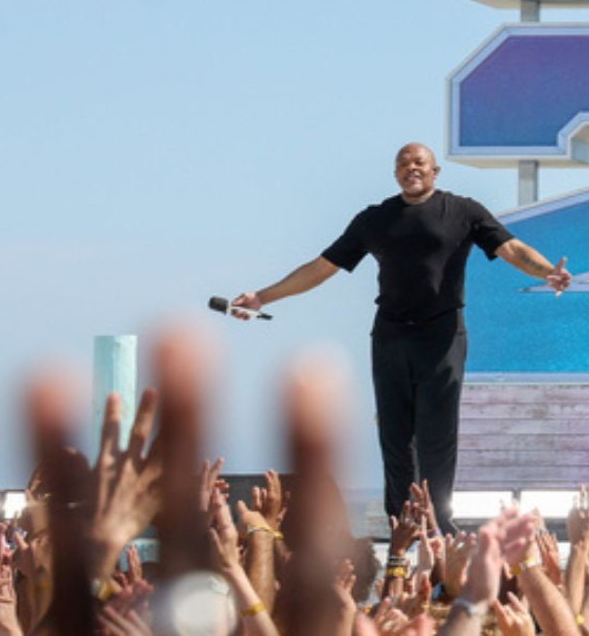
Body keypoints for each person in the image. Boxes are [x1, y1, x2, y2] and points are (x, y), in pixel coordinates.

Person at [230, 142, 571, 532]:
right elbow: (322, 267)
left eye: (419, 163)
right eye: (403, 164)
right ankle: (401, 523)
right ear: (396, 173)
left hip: (442, 335)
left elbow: (510, 248)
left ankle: (439, 523)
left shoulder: (462, 211)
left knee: (436, 435)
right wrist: (262, 297)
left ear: (434, 171)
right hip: (391, 335)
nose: (412, 168)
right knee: (395, 434)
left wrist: (546, 271)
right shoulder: (375, 219)